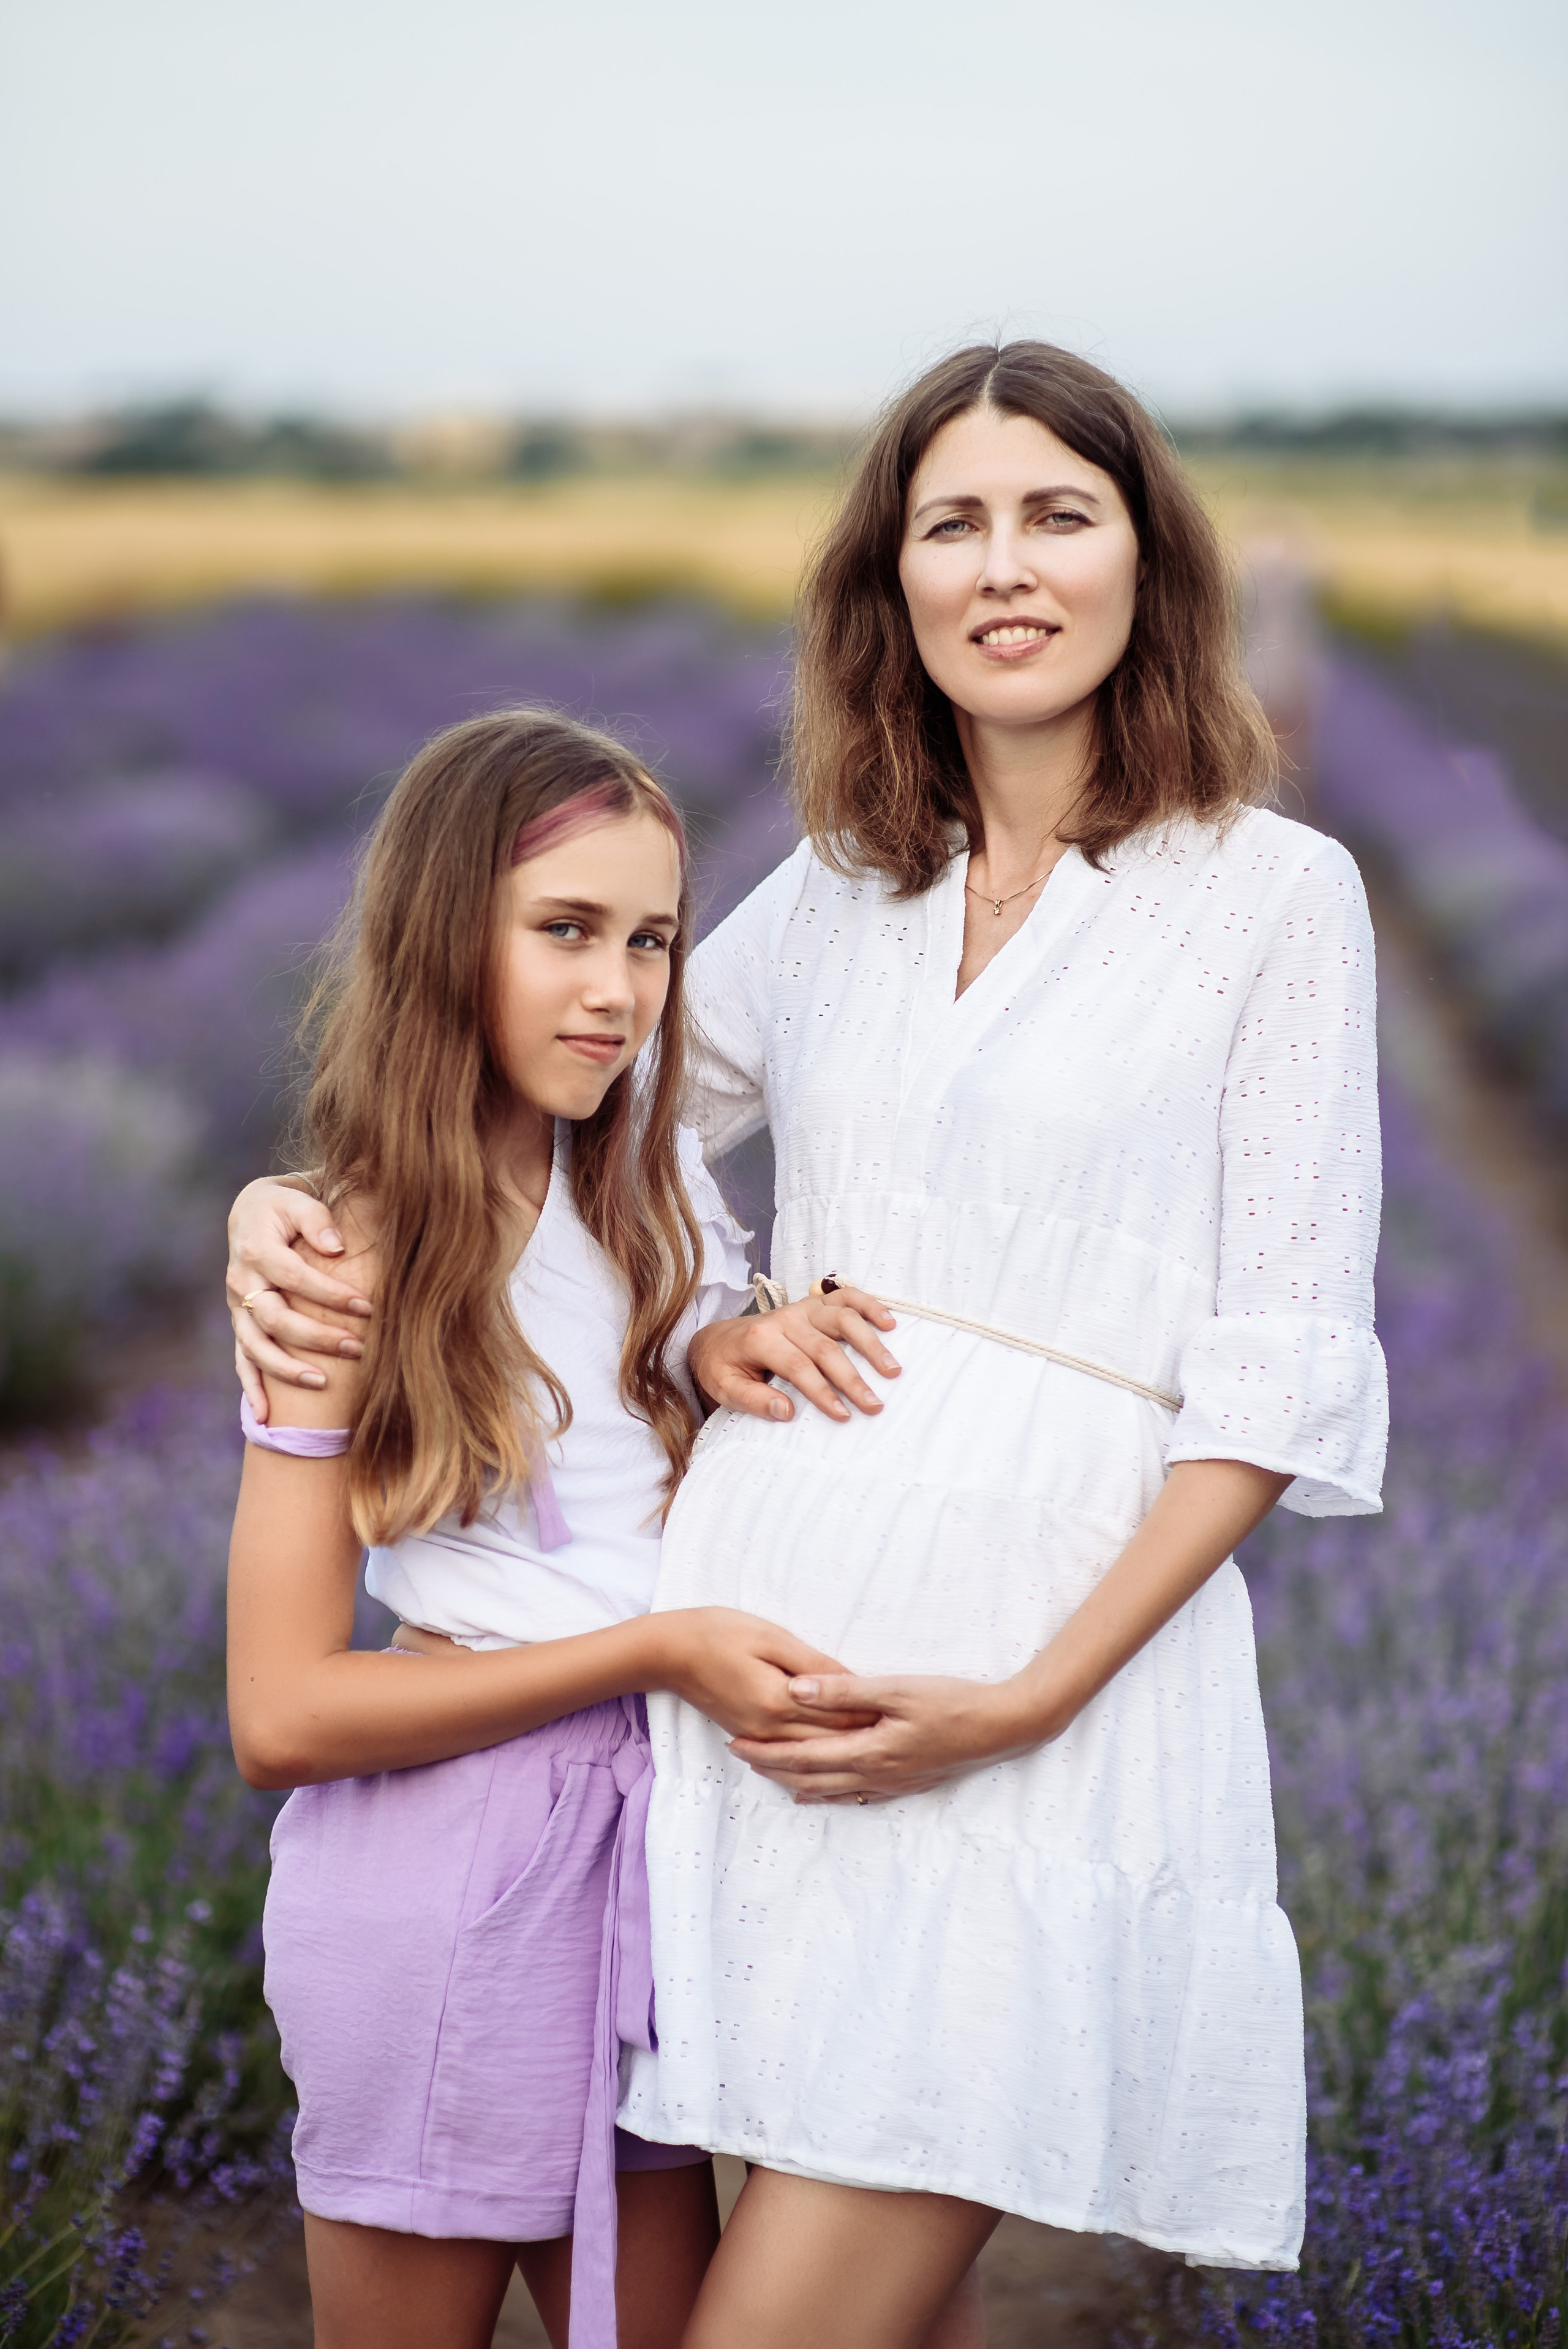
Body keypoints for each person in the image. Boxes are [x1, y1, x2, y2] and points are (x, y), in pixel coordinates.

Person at [228, 342, 1387, 2349]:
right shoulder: (849, 891)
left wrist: (1028, 1697)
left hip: (1022, 1697)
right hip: (733, 1744)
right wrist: (683, 1309)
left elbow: (1275, 1375)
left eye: (1059, 513)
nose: (1005, 567)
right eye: (955, 523)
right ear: (893, 583)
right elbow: (603, 1094)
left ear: (1149, 561)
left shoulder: (1275, 899)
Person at [225, 708, 868, 2349]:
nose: (620, 988)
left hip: (643, 1867)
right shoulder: (344, 1262)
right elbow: (284, 1710)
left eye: (651, 938)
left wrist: (722, 1351)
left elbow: (660, 1374)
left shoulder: (648, 1196)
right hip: (452, 1885)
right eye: (565, 929)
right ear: (447, 939)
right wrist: (657, 1645)